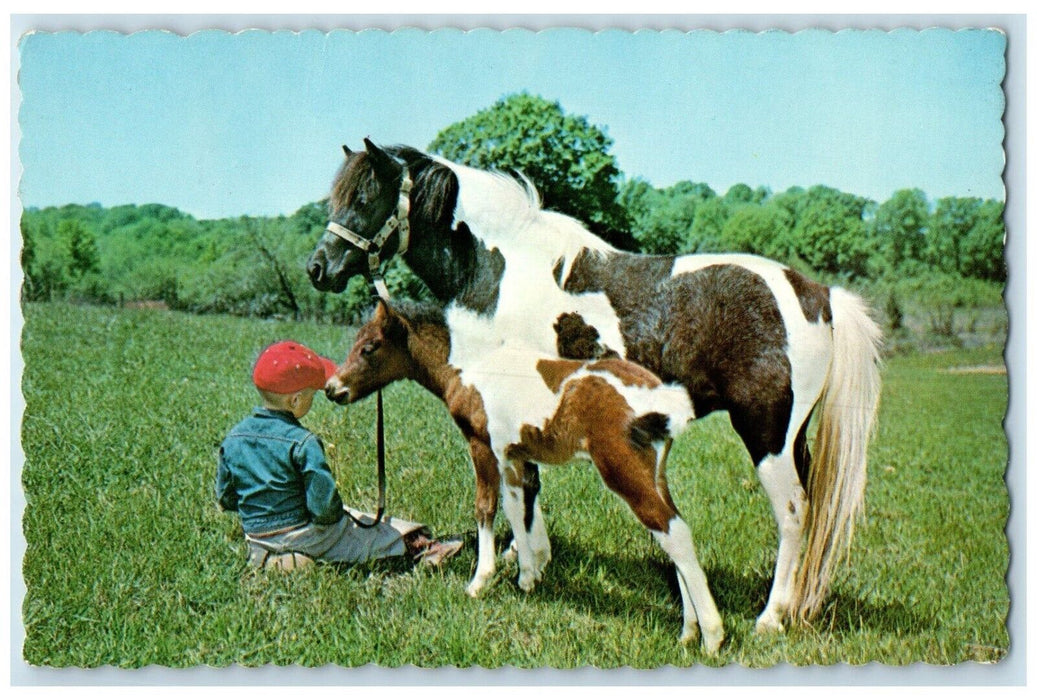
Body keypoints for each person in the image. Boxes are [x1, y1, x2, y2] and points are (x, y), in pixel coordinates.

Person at [216, 340, 462, 571]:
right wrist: (338, 520)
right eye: (312, 394)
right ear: (295, 400)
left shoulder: (233, 439)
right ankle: (422, 547)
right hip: (305, 533)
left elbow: (226, 497)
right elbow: (324, 509)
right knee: (380, 532)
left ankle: (268, 554)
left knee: (345, 515)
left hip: (257, 532)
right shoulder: (303, 443)